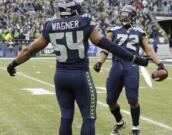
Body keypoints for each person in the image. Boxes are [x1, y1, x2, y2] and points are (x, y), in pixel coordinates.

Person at [7, 1, 149, 135]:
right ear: (73, 10)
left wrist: (13, 64)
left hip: (61, 77)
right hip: (80, 76)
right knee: (88, 117)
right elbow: (109, 46)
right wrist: (134, 58)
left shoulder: (51, 25)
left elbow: (29, 50)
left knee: (66, 117)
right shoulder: (83, 23)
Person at [93, 5, 168, 135]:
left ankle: (135, 128)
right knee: (110, 100)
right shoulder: (113, 30)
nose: (124, 17)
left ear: (133, 17)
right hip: (116, 66)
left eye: (127, 15)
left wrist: (160, 64)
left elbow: (149, 50)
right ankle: (120, 121)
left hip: (131, 67)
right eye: (123, 15)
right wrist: (99, 62)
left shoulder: (139, 31)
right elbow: (106, 49)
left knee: (133, 99)